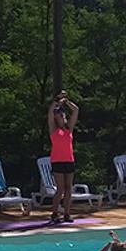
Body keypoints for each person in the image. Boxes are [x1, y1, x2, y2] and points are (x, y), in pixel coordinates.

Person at [47, 90, 80, 223]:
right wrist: (57, 100)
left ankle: (67, 213)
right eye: (60, 115)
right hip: (57, 161)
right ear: (57, 117)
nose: (63, 116)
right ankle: (55, 213)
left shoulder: (68, 129)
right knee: (60, 188)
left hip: (69, 160)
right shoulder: (54, 130)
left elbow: (76, 110)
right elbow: (50, 112)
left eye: (63, 115)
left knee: (68, 188)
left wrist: (66, 101)